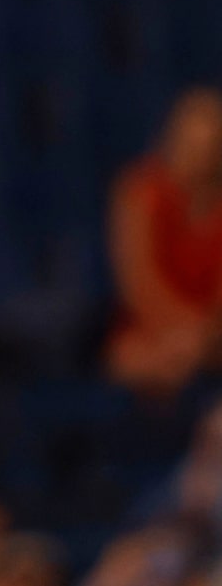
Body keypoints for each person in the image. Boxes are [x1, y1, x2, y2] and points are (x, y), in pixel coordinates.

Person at [107, 90, 222, 395]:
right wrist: (179, 334)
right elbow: (139, 284)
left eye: (208, 147)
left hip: (209, 339)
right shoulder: (141, 192)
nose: (199, 156)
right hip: (148, 333)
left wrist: (201, 336)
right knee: (143, 360)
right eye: (191, 144)